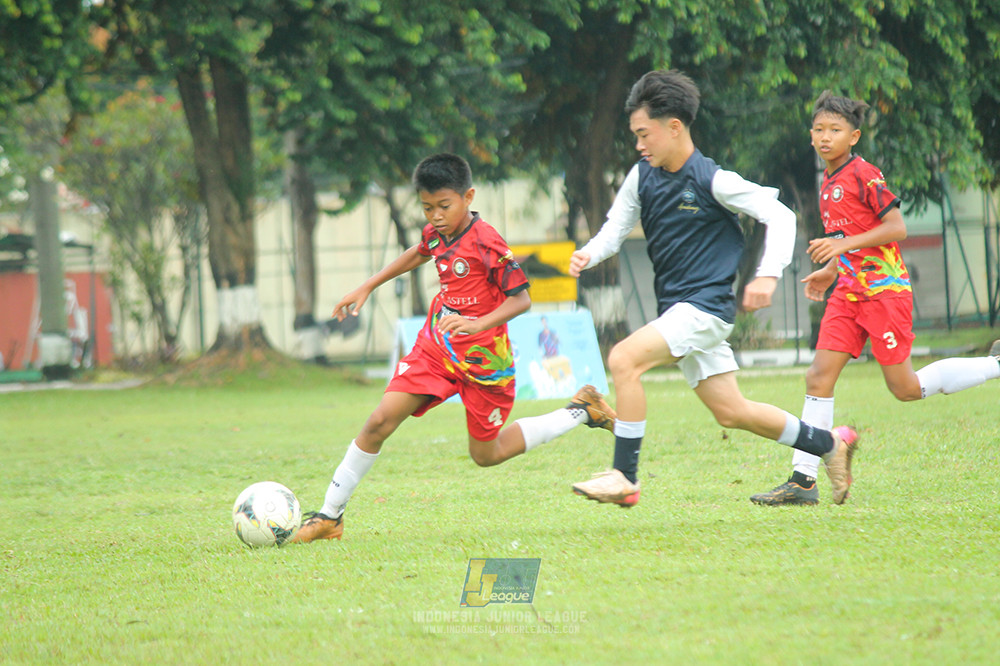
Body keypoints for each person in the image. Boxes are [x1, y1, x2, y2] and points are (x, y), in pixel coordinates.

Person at [569, 69, 859, 508]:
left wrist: (767, 274)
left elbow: (780, 216)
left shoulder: (713, 180)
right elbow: (616, 228)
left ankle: (624, 478)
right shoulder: (640, 177)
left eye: (644, 134)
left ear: (674, 127)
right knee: (732, 411)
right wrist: (589, 253)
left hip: (704, 309)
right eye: (635, 135)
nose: (638, 144)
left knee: (623, 358)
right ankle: (830, 445)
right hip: (678, 311)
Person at [292, 153, 617, 543]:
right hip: (437, 349)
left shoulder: (487, 242)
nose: (436, 216)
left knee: (486, 455)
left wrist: (476, 323)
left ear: (468, 197)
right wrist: (368, 285)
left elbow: (521, 299)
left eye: (444, 206)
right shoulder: (437, 232)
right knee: (380, 421)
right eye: (427, 207)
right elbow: (420, 250)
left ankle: (581, 411)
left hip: (486, 363)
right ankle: (330, 516)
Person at [750, 92, 1000, 506]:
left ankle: (994, 364)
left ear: (854, 136)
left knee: (904, 388)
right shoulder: (827, 181)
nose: (825, 137)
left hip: (884, 292)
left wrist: (843, 244)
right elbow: (844, 238)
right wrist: (830, 268)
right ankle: (803, 480)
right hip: (848, 293)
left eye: (835, 130)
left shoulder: (864, 173)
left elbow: (896, 227)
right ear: (810, 136)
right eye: (819, 129)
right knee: (817, 377)